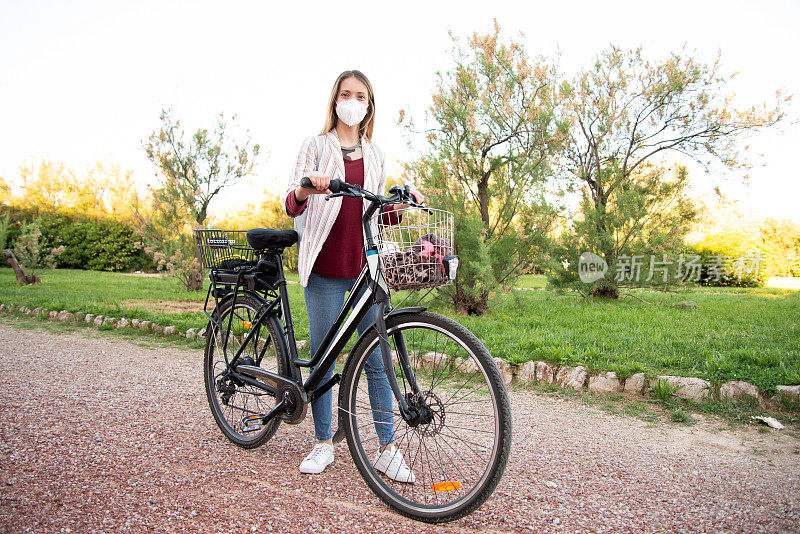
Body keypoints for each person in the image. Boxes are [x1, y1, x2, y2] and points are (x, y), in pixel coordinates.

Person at [285, 70, 422, 481]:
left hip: (366, 269)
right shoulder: (315, 145)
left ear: (369, 105)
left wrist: (405, 203)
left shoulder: (376, 154)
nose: (352, 101)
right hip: (325, 267)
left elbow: (378, 212)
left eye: (360, 95)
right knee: (324, 361)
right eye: (345, 94)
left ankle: (386, 448)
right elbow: (291, 203)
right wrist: (310, 187)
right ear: (335, 101)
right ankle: (323, 443)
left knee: (379, 360)